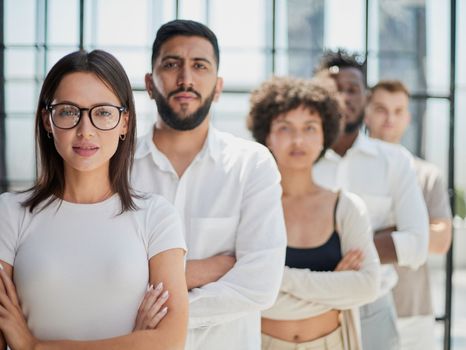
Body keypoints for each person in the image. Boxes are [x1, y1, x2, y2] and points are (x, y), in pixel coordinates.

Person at [0, 49, 188, 350]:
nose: (85, 131)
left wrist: (33, 346)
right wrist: (133, 344)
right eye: (68, 112)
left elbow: (170, 341)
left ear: (124, 123)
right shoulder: (9, 213)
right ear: (47, 121)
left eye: (102, 112)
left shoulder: (156, 216)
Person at [131, 20, 287, 350]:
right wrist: (208, 269)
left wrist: (156, 307)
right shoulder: (116, 165)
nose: (186, 78)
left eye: (199, 66)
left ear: (217, 86)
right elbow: (100, 274)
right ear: (149, 82)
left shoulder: (252, 164)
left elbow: (259, 284)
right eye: (171, 64)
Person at [247, 76, 380, 350]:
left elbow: (367, 286)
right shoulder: (251, 207)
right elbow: (243, 293)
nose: (298, 139)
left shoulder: (346, 207)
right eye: (285, 128)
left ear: (324, 136)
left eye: (309, 127)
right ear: (267, 136)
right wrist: (335, 286)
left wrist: (274, 278)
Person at [312, 49, 429, 350]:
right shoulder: (296, 160)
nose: (343, 97)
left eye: (352, 89)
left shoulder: (394, 161)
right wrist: (378, 240)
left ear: (365, 99)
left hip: (374, 307)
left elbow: (417, 244)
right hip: (307, 307)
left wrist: (331, 252)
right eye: (333, 89)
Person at [364, 79, 452, 350]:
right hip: (362, 305)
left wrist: (377, 235)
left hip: (414, 311)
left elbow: (440, 242)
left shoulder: (427, 175)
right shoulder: (351, 169)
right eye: (381, 109)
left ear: (408, 118)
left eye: (398, 110)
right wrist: (410, 232)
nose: (390, 118)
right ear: (366, 111)